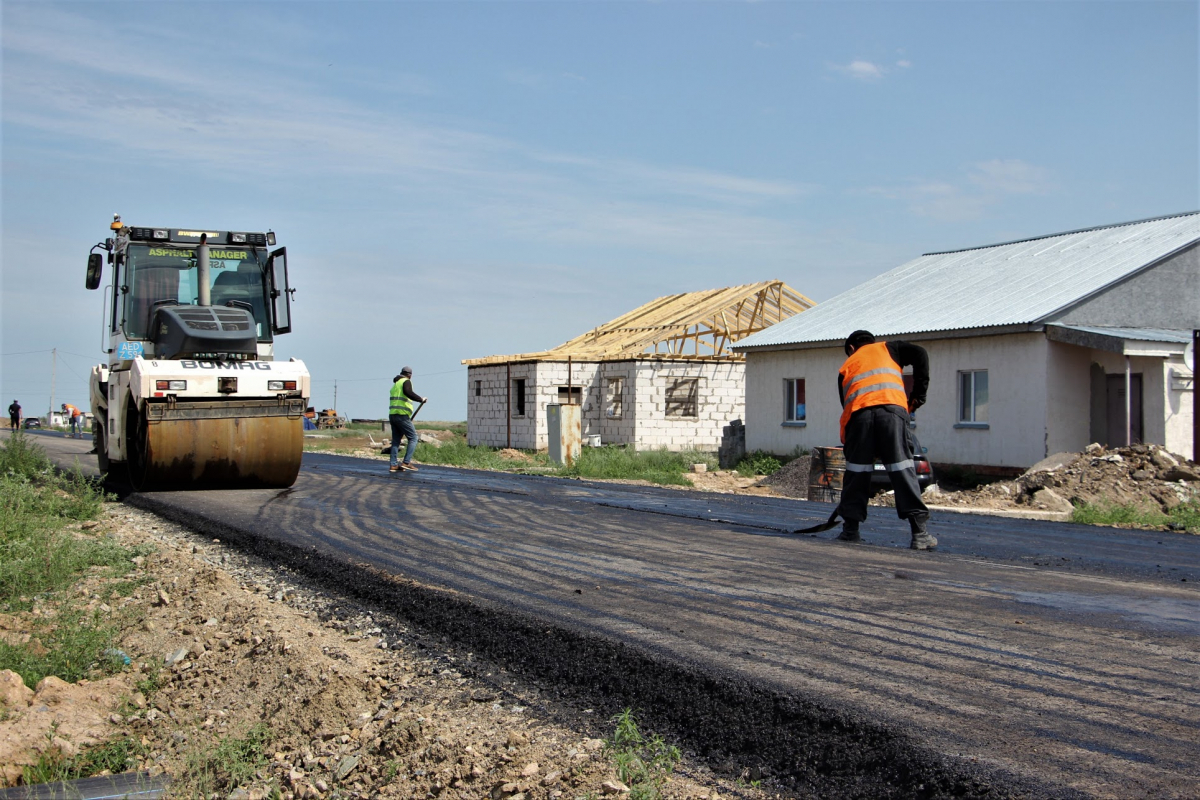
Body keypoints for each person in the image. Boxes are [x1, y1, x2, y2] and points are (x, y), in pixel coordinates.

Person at [835, 330, 936, 550]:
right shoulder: (889, 348)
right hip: (892, 414)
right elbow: (920, 353)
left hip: (859, 420)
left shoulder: (846, 368)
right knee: (902, 470)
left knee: (857, 473)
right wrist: (919, 394)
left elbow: (848, 408)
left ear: (851, 349)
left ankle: (850, 531)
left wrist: (857, 446)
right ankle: (920, 534)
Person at [388, 367, 427, 472]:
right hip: (402, 415)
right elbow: (408, 392)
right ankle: (406, 462)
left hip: (393, 415)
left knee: (396, 441)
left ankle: (393, 465)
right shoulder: (406, 381)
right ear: (409, 374)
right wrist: (420, 399)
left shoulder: (395, 385)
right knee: (413, 438)